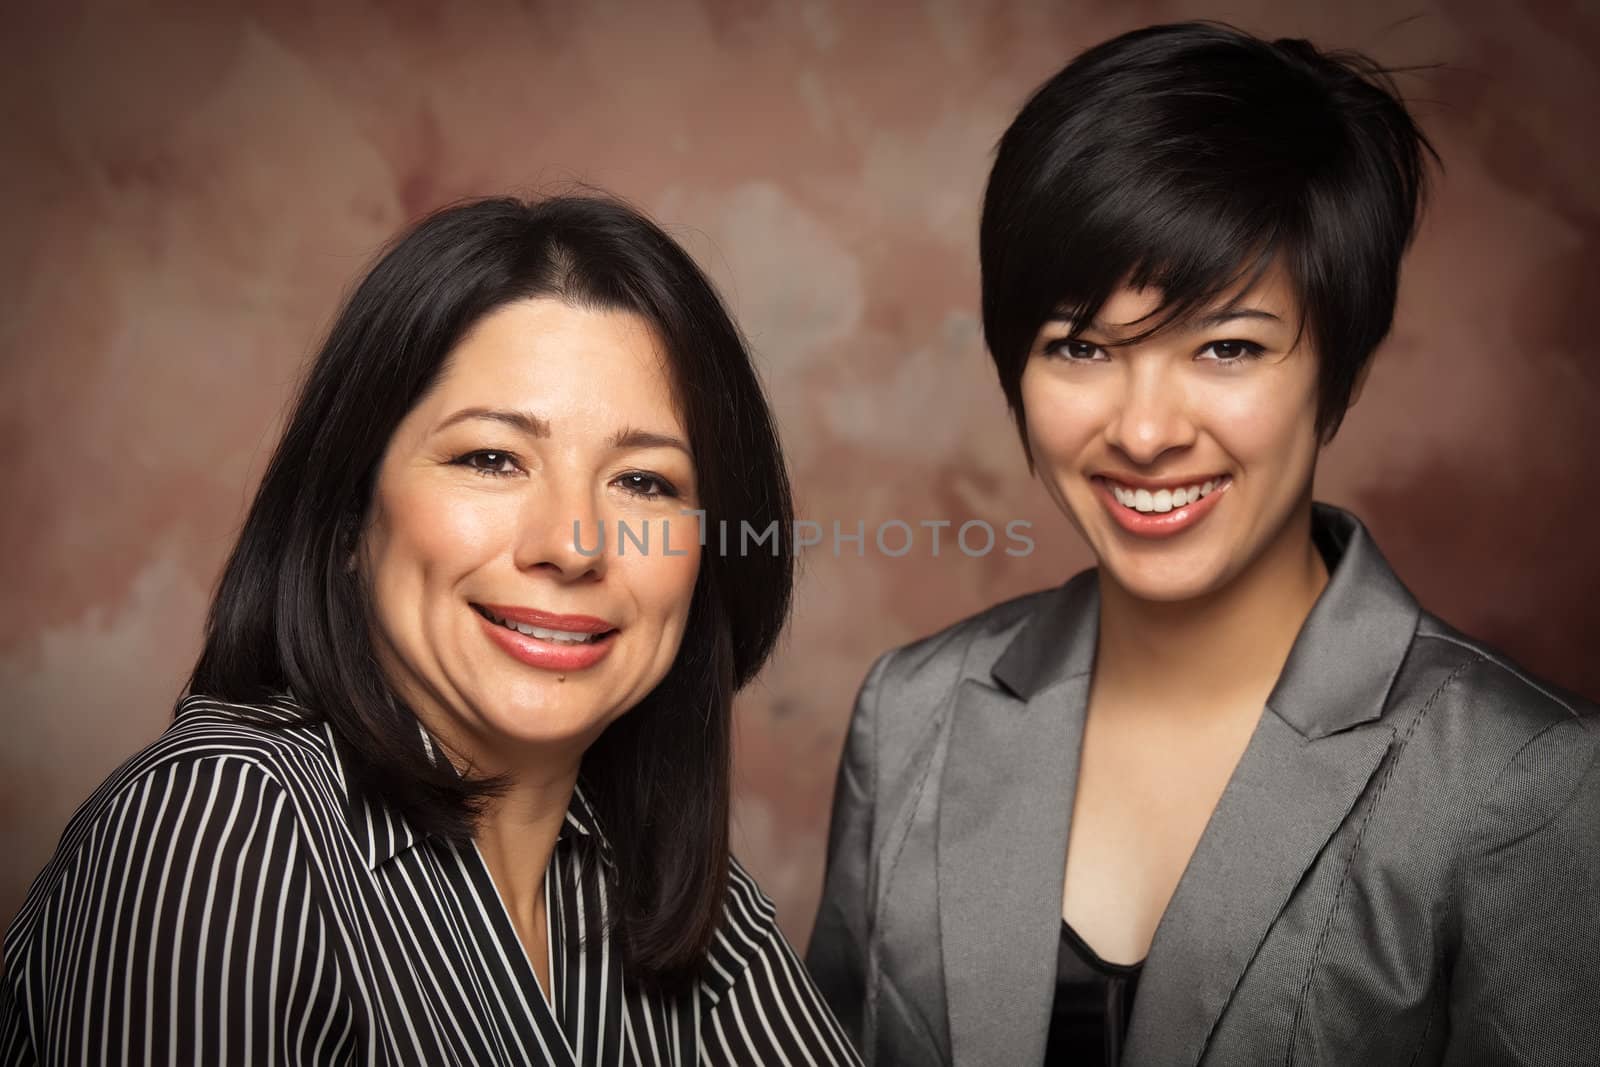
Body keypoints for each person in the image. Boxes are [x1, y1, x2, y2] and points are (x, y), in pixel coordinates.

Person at [806, 21, 1599, 1067]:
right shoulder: (910, 715)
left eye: (1226, 346)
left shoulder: (1519, 779)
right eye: (1081, 346)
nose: (1143, 431)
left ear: (1338, 369)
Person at [0, 195, 859, 1066]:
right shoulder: (223, 824)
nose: (573, 544)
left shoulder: (662, 883)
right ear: (345, 515)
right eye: (490, 458)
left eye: (643, 482)